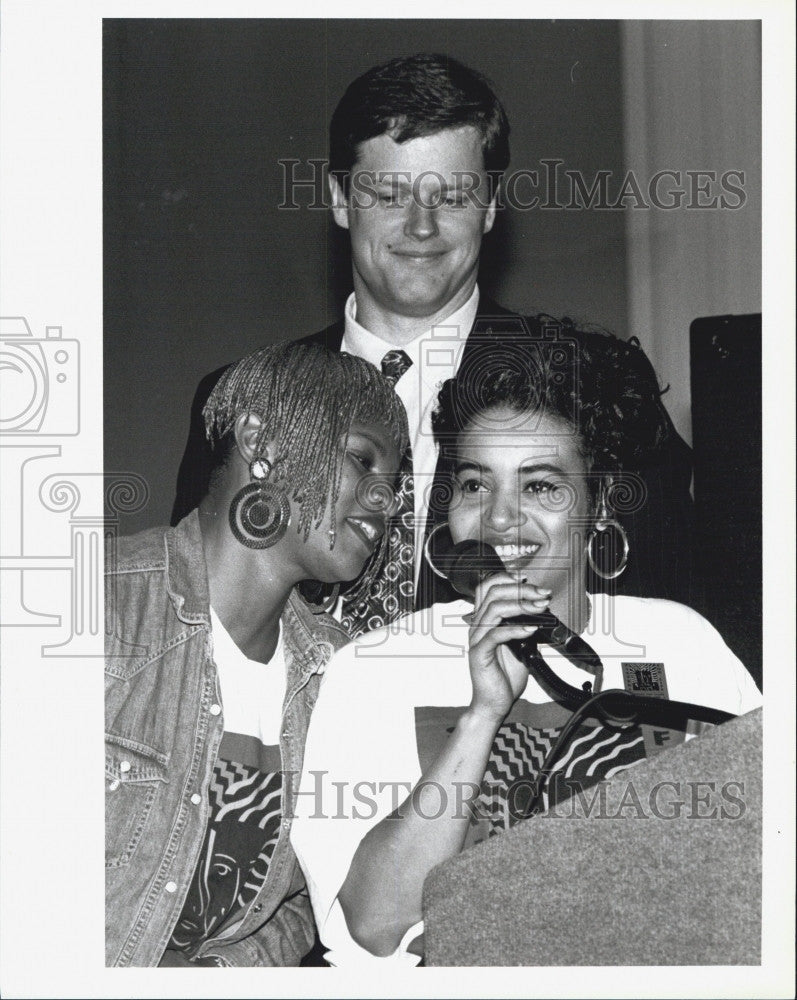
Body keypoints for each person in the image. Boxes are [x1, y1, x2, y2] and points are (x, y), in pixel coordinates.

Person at [289, 324, 762, 966]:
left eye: (539, 486)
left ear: (597, 507)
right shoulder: (372, 669)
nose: (501, 517)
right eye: (475, 484)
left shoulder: (685, 644)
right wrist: (484, 714)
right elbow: (370, 925)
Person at [170, 53, 695, 627]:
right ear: (341, 200)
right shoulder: (244, 397)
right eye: (391, 195)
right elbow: (191, 624)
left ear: (491, 206)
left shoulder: (591, 379)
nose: (421, 226)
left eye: (450, 197)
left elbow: (671, 615)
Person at [104, 342, 408, 966]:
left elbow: (306, 902)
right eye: (361, 460)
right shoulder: (96, 604)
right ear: (259, 441)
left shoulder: (339, 674)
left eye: (395, 482)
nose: (388, 500)